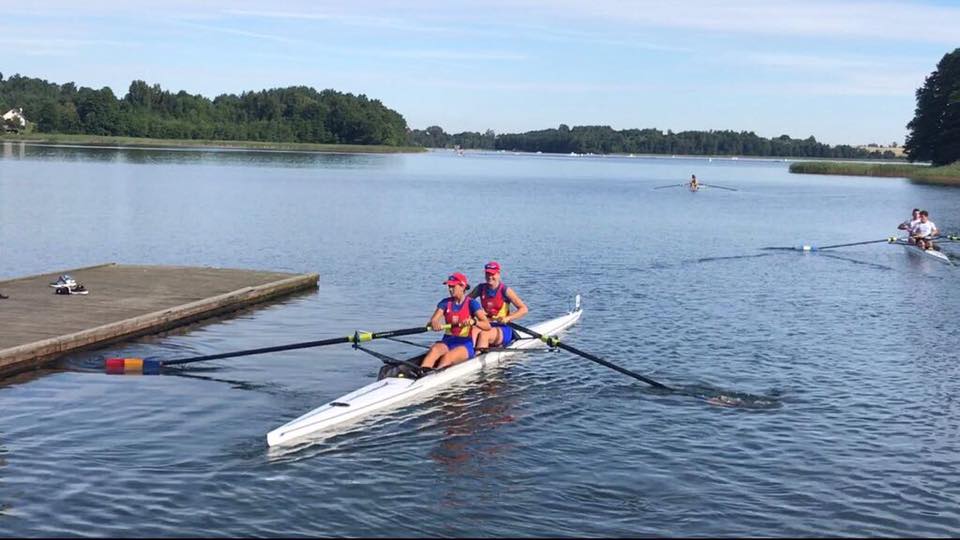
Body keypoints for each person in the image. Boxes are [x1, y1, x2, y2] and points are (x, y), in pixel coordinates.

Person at [420, 272, 491, 371]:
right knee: (434, 350)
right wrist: (434, 323)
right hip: (448, 340)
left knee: (447, 357)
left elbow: (487, 326)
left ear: (462, 286)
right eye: (449, 286)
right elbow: (434, 320)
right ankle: (422, 373)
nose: (450, 289)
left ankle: (434, 376)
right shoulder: (445, 303)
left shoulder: (472, 304)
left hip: (465, 343)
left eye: (453, 286)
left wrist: (474, 322)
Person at [469, 261, 529, 351]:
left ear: (498, 274)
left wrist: (508, 318)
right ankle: (468, 356)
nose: (490, 277)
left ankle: (477, 358)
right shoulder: (480, 288)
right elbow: (466, 303)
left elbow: (524, 309)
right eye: (487, 274)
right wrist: (477, 312)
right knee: (472, 331)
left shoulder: (505, 290)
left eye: (492, 274)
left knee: (484, 335)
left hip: (502, 327)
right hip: (486, 325)